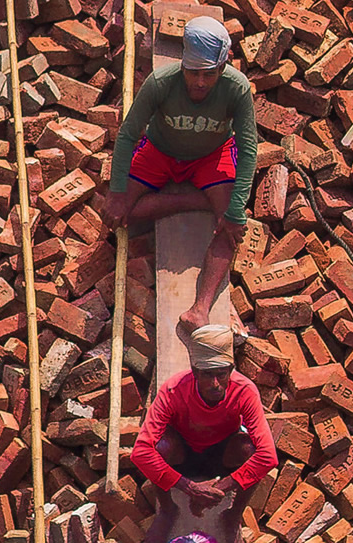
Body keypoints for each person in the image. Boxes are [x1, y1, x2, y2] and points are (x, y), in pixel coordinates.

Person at [103, 16, 257, 334]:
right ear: (183, 65)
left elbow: (248, 149)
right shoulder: (161, 82)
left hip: (210, 156)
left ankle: (200, 309)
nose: (200, 83)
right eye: (193, 73)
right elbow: (128, 135)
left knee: (231, 228)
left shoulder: (236, 88)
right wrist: (118, 192)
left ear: (222, 68)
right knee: (118, 214)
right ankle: (194, 200)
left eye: (209, 75)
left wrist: (236, 209)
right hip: (160, 151)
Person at [130, 325, 277, 543]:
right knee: (160, 447)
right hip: (184, 454)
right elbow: (140, 453)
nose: (215, 384)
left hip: (221, 454)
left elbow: (268, 456)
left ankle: (233, 514)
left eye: (221, 373)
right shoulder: (173, 390)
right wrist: (190, 489)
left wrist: (218, 489)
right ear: (195, 371)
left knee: (249, 449)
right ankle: (168, 510)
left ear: (231, 369)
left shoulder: (245, 390)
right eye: (207, 374)